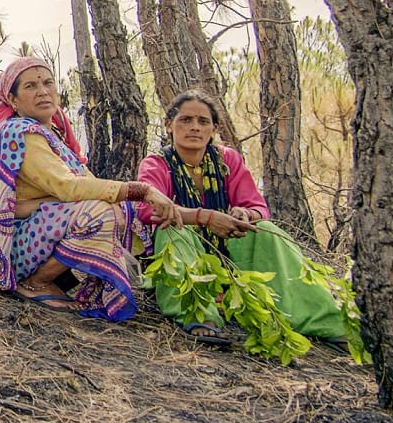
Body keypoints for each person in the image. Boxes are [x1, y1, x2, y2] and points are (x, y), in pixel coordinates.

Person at [0, 56, 178, 319]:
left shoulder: (53, 135)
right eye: (30, 86)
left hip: (36, 230)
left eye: (48, 83)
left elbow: (87, 184)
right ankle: (36, 283)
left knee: (118, 209)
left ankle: (61, 278)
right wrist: (142, 191)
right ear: (12, 100)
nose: (43, 91)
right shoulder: (18, 133)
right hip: (11, 247)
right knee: (97, 213)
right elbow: (68, 187)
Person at [135, 92, 347, 348]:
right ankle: (198, 313)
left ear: (214, 128)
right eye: (186, 119)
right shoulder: (157, 163)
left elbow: (258, 207)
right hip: (185, 259)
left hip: (229, 254)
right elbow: (149, 211)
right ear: (169, 124)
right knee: (172, 231)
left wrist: (245, 214)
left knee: (265, 230)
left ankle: (319, 319)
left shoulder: (227, 160)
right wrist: (207, 218)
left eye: (203, 122)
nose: (194, 127)